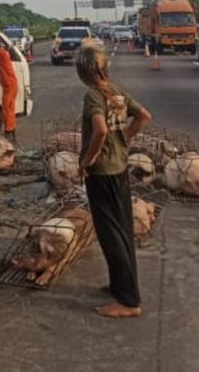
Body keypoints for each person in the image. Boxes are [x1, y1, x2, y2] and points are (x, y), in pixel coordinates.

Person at [76, 44, 151, 318]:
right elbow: (144, 116)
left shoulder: (94, 96)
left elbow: (100, 129)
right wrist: (125, 139)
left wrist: (87, 160)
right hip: (119, 170)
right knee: (123, 230)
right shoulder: (117, 93)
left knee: (110, 234)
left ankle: (129, 302)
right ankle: (121, 286)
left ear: (84, 72)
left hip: (102, 174)